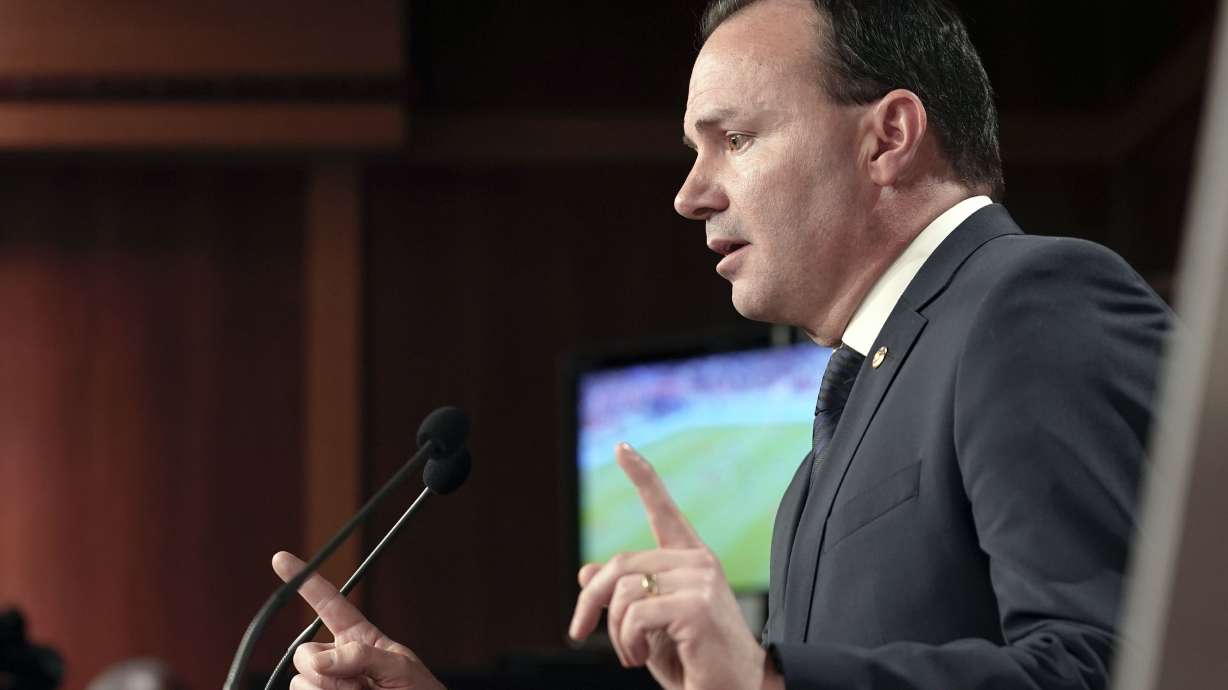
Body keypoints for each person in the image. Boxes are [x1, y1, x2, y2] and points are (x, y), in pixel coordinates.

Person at [273, 0, 1173, 688]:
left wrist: (770, 676)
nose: (690, 194)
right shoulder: (822, 461)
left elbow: (1131, 664)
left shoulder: (1031, 299)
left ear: (888, 137)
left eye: (734, 139)